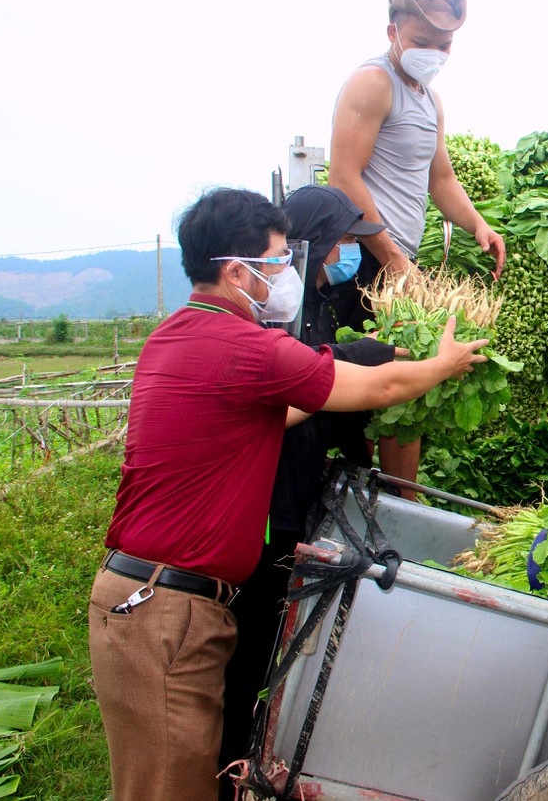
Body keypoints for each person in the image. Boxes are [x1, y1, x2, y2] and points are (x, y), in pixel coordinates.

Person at [87, 188, 487, 801]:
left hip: (151, 601)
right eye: (276, 262)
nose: (286, 275)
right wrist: (440, 364)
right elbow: (373, 390)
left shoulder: (176, 336)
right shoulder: (245, 348)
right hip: (165, 611)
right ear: (235, 271)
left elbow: (276, 416)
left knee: (169, 779)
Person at [218, 185, 397, 796]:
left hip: (297, 495)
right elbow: (312, 380)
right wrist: (366, 361)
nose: (349, 250)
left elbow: (338, 404)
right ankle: (232, 766)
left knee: (276, 636)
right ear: (312, 240)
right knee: (249, 645)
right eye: (342, 239)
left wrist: (361, 461)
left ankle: (259, 749)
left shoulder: (325, 299)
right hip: (267, 505)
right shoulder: (279, 316)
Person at [328, 0, 505, 493]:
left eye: (444, 45)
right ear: (392, 32)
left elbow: (441, 178)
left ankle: (399, 504)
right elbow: (344, 177)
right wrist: (390, 256)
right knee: (367, 380)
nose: (434, 52)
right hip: (362, 262)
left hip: (395, 265)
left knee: (404, 382)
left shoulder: (429, 99)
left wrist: (477, 224)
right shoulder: (373, 82)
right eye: (423, 41)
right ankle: (363, 497)